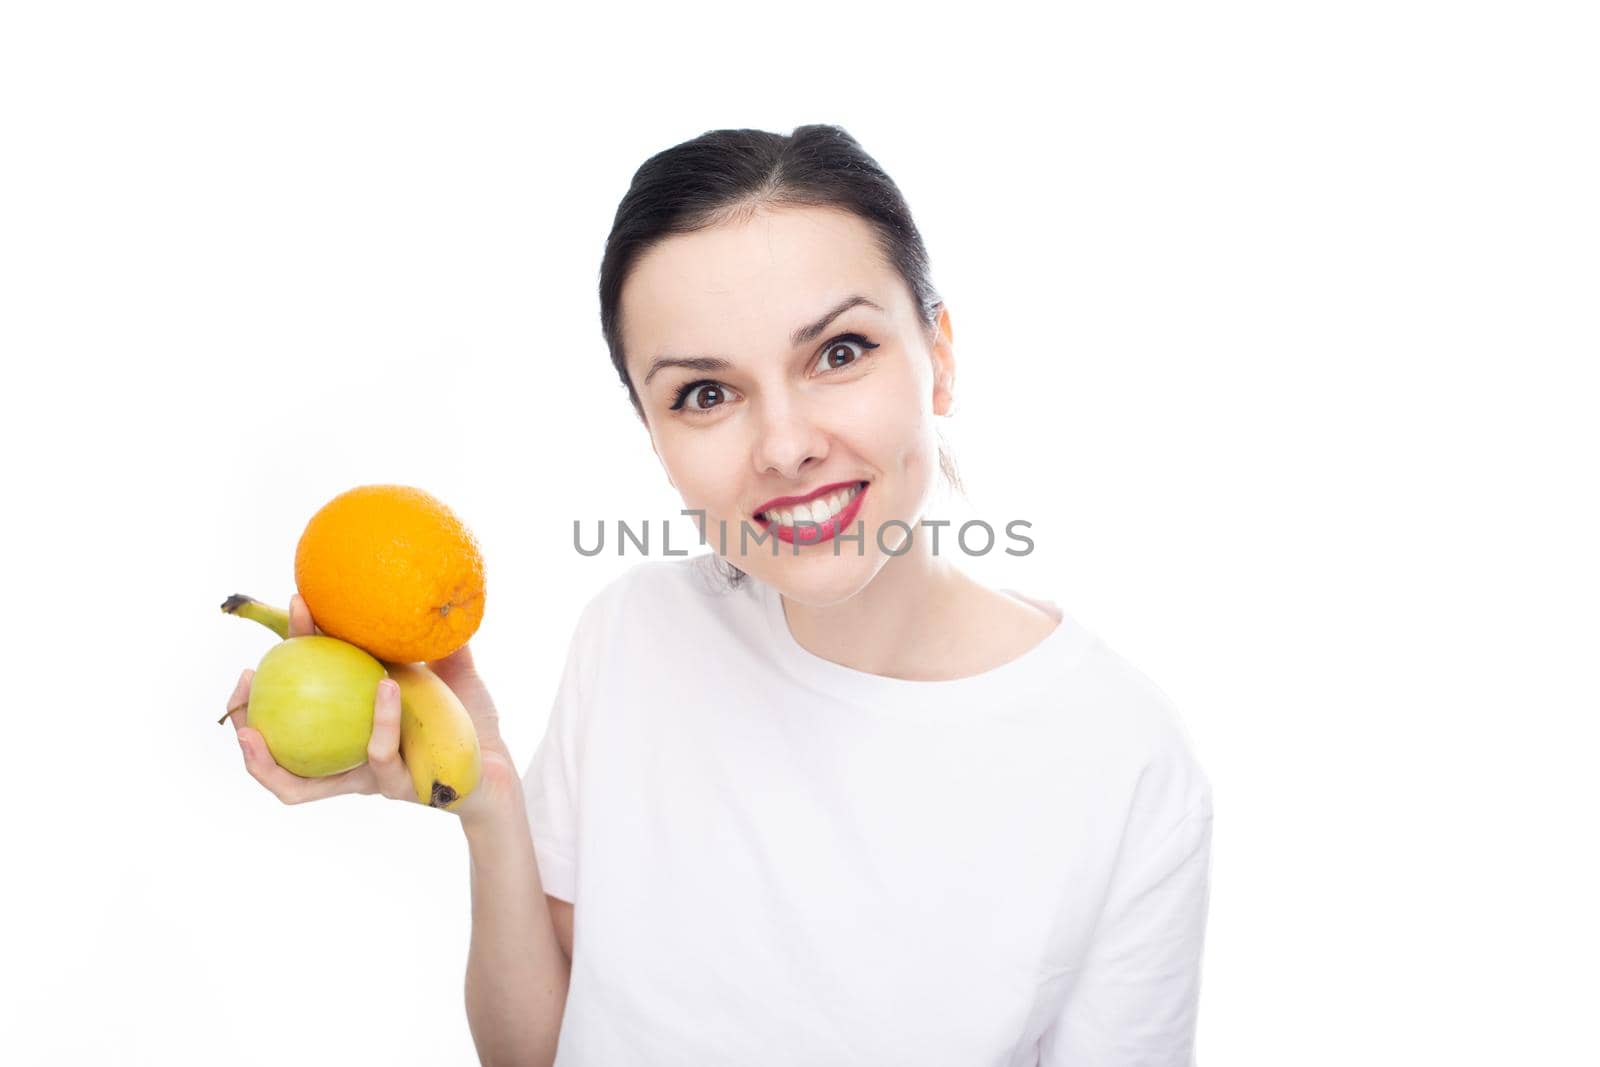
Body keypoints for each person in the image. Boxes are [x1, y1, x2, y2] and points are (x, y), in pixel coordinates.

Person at [223, 124, 1213, 1067]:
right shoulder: (634, 634)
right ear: (655, 437)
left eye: (838, 351)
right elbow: (539, 1050)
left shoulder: (1120, 756)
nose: (785, 444)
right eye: (705, 393)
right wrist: (488, 802)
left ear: (940, 356)